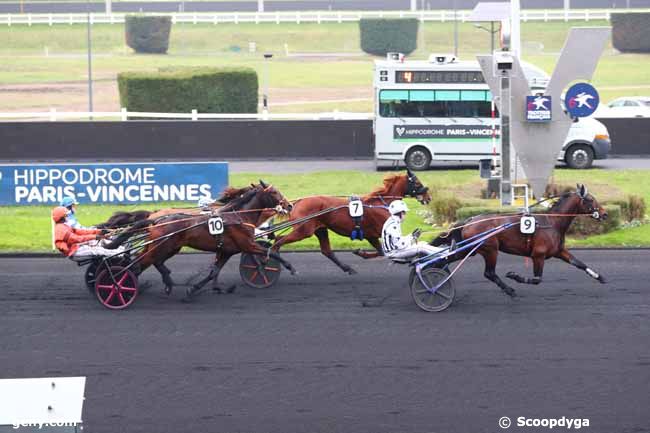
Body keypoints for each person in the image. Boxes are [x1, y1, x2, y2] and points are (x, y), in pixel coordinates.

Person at [52, 206, 123, 260]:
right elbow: (77, 238)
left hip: (76, 247)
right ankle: (119, 254)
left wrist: (100, 231)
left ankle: (119, 249)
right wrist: (95, 236)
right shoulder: (61, 229)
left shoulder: (64, 226)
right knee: (96, 250)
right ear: (61, 217)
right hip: (74, 252)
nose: (67, 216)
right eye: (66, 215)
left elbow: (81, 232)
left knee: (95, 242)